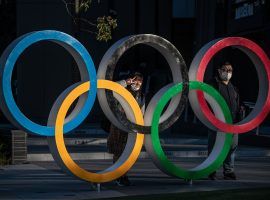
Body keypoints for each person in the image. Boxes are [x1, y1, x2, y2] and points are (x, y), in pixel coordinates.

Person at [208, 62, 245, 180]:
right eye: (225, 70)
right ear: (219, 71)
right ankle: (211, 170)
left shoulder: (233, 88)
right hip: (217, 122)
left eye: (230, 70)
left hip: (233, 123)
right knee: (215, 146)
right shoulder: (213, 85)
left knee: (232, 146)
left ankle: (228, 171)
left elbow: (238, 103)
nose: (228, 72)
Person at [107, 72, 145, 186]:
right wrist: (125, 82)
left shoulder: (141, 96)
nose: (137, 82)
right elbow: (110, 88)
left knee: (128, 152)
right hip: (119, 125)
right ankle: (119, 176)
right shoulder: (123, 92)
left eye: (140, 80)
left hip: (132, 128)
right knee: (119, 151)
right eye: (135, 79)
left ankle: (123, 174)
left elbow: (142, 112)